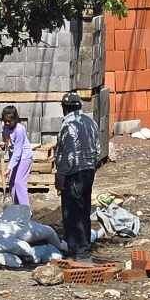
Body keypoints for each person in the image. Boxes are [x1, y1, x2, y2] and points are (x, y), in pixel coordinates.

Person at [53, 91, 101, 258]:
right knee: (84, 208)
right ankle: (84, 244)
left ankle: (76, 249)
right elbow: (98, 149)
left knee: (72, 211)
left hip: (74, 173)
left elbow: (67, 155)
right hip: (89, 171)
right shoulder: (91, 122)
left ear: (65, 108)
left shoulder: (68, 126)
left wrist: (60, 176)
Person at [0, 105, 32, 207]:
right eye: (5, 121)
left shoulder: (19, 130)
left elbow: (18, 151)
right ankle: (17, 208)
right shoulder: (5, 127)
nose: (7, 123)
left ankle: (25, 210)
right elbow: (7, 141)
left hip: (24, 157)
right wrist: (3, 144)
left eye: (10, 121)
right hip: (14, 158)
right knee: (12, 184)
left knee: (19, 182)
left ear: (15, 119)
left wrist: (9, 168)